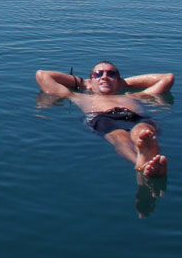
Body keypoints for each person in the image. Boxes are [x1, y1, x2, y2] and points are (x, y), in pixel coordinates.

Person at [34, 61, 174, 177]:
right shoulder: (79, 97)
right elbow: (43, 75)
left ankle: (144, 151)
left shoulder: (134, 96)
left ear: (118, 81)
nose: (104, 77)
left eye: (111, 74)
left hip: (136, 117)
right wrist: (83, 83)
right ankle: (140, 161)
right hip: (101, 117)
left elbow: (167, 78)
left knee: (143, 130)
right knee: (119, 137)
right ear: (91, 80)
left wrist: (123, 83)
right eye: (98, 74)